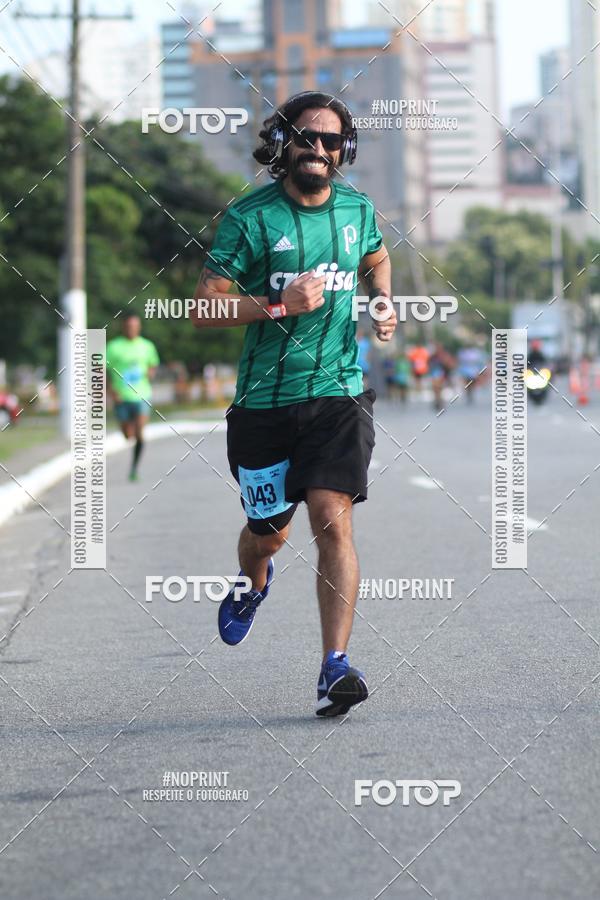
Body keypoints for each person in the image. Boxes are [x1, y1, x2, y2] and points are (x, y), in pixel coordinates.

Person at [192, 91, 396, 717]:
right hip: (263, 404)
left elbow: (376, 256)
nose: (318, 149)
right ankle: (253, 583)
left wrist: (382, 300)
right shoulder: (251, 218)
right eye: (305, 137)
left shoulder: (357, 208)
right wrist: (281, 305)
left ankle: (333, 667)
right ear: (282, 143)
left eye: (331, 141)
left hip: (337, 392)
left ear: (345, 151)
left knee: (331, 515)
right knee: (267, 536)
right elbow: (204, 306)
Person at [106, 313, 159, 481]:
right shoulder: (113, 347)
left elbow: (153, 364)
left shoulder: (147, 346)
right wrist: (111, 392)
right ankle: (130, 436)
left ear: (139, 327)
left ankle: (134, 468)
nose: (132, 329)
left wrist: (150, 374)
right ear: (124, 327)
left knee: (139, 433)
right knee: (128, 434)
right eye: (129, 326)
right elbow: (100, 370)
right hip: (121, 397)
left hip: (142, 395)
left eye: (135, 326)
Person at [428, 342, 455, 411]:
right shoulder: (432, 357)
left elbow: (450, 365)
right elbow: (429, 365)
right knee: (436, 389)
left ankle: (439, 402)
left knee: (439, 389)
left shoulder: (445, 356)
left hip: (442, 375)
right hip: (434, 374)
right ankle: (438, 401)